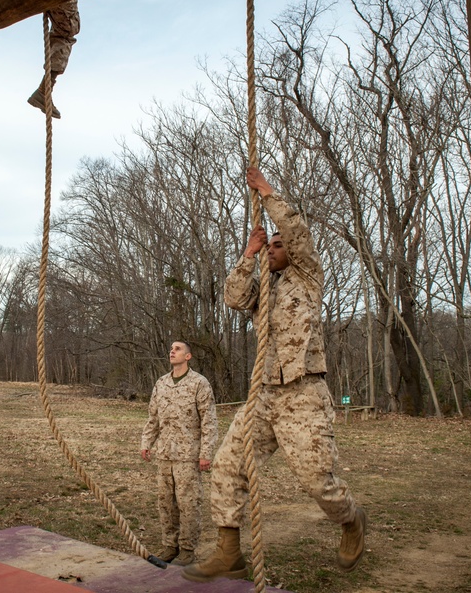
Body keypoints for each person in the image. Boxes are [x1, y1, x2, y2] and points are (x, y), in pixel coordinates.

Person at [183, 167, 367, 583]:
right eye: (272, 245)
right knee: (229, 465)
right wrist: (249, 254)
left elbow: (297, 232)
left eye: (277, 246)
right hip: (263, 395)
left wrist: (266, 193)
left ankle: (352, 520)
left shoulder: (307, 276)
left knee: (318, 481)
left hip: (303, 393)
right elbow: (234, 297)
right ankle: (229, 553)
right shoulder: (263, 288)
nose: (275, 248)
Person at [140, 341, 219, 567]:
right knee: (166, 503)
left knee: (188, 503)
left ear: (188, 357)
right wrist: (147, 442)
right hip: (165, 453)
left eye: (177, 349)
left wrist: (206, 453)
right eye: (171, 349)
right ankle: (170, 546)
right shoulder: (161, 383)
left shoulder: (199, 383)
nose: (172, 351)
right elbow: (153, 417)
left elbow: (209, 421)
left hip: (188, 455)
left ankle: (187, 549)